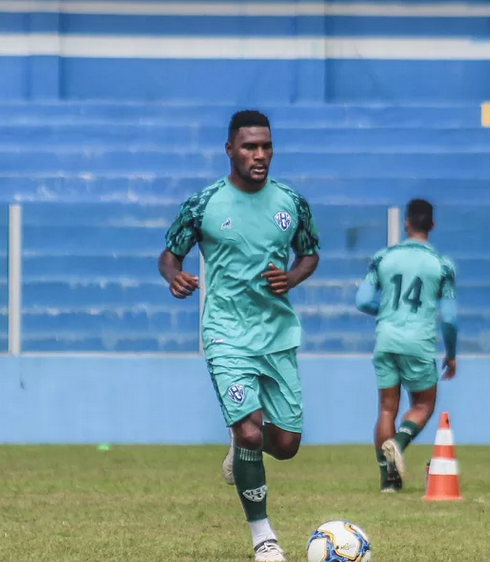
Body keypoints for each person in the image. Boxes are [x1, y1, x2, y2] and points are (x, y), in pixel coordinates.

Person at [159, 109, 320, 562]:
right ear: (230, 149)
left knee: (285, 445)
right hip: (226, 333)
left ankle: (240, 444)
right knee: (250, 431)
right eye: (250, 146)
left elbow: (310, 253)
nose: (260, 154)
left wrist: (292, 277)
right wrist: (174, 276)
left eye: (266, 146)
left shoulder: (292, 202)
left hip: (277, 334)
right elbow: (169, 255)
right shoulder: (204, 204)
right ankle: (263, 538)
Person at [354, 198, 458, 492]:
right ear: (432, 225)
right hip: (418, 342)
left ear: (406, 223)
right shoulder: (442, 265)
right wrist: (451, 355)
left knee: (387, 408)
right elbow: (450, 318)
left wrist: (388, 311)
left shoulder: (383, 258)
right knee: (424, 404)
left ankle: (389, 481)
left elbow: (362, 300)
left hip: (386, 338)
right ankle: (398, 443)